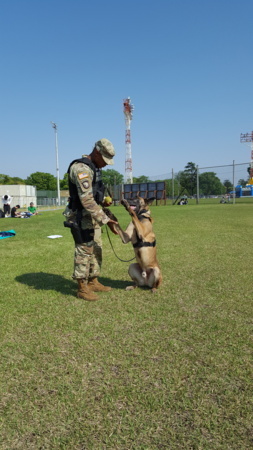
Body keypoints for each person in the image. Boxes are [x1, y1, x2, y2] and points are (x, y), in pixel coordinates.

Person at [66, 138, 118, 301]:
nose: (105, 164)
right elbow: (86, 200)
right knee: (84, 250)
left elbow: (93, 196)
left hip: (93, 216)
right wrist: (107, 220)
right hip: (81, 217)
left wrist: (103, 200)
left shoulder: (94, 167)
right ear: (96, 152)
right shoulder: (81, 169)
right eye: (104, 159)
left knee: (96, 248)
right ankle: (82, 288)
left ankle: (93, 280)